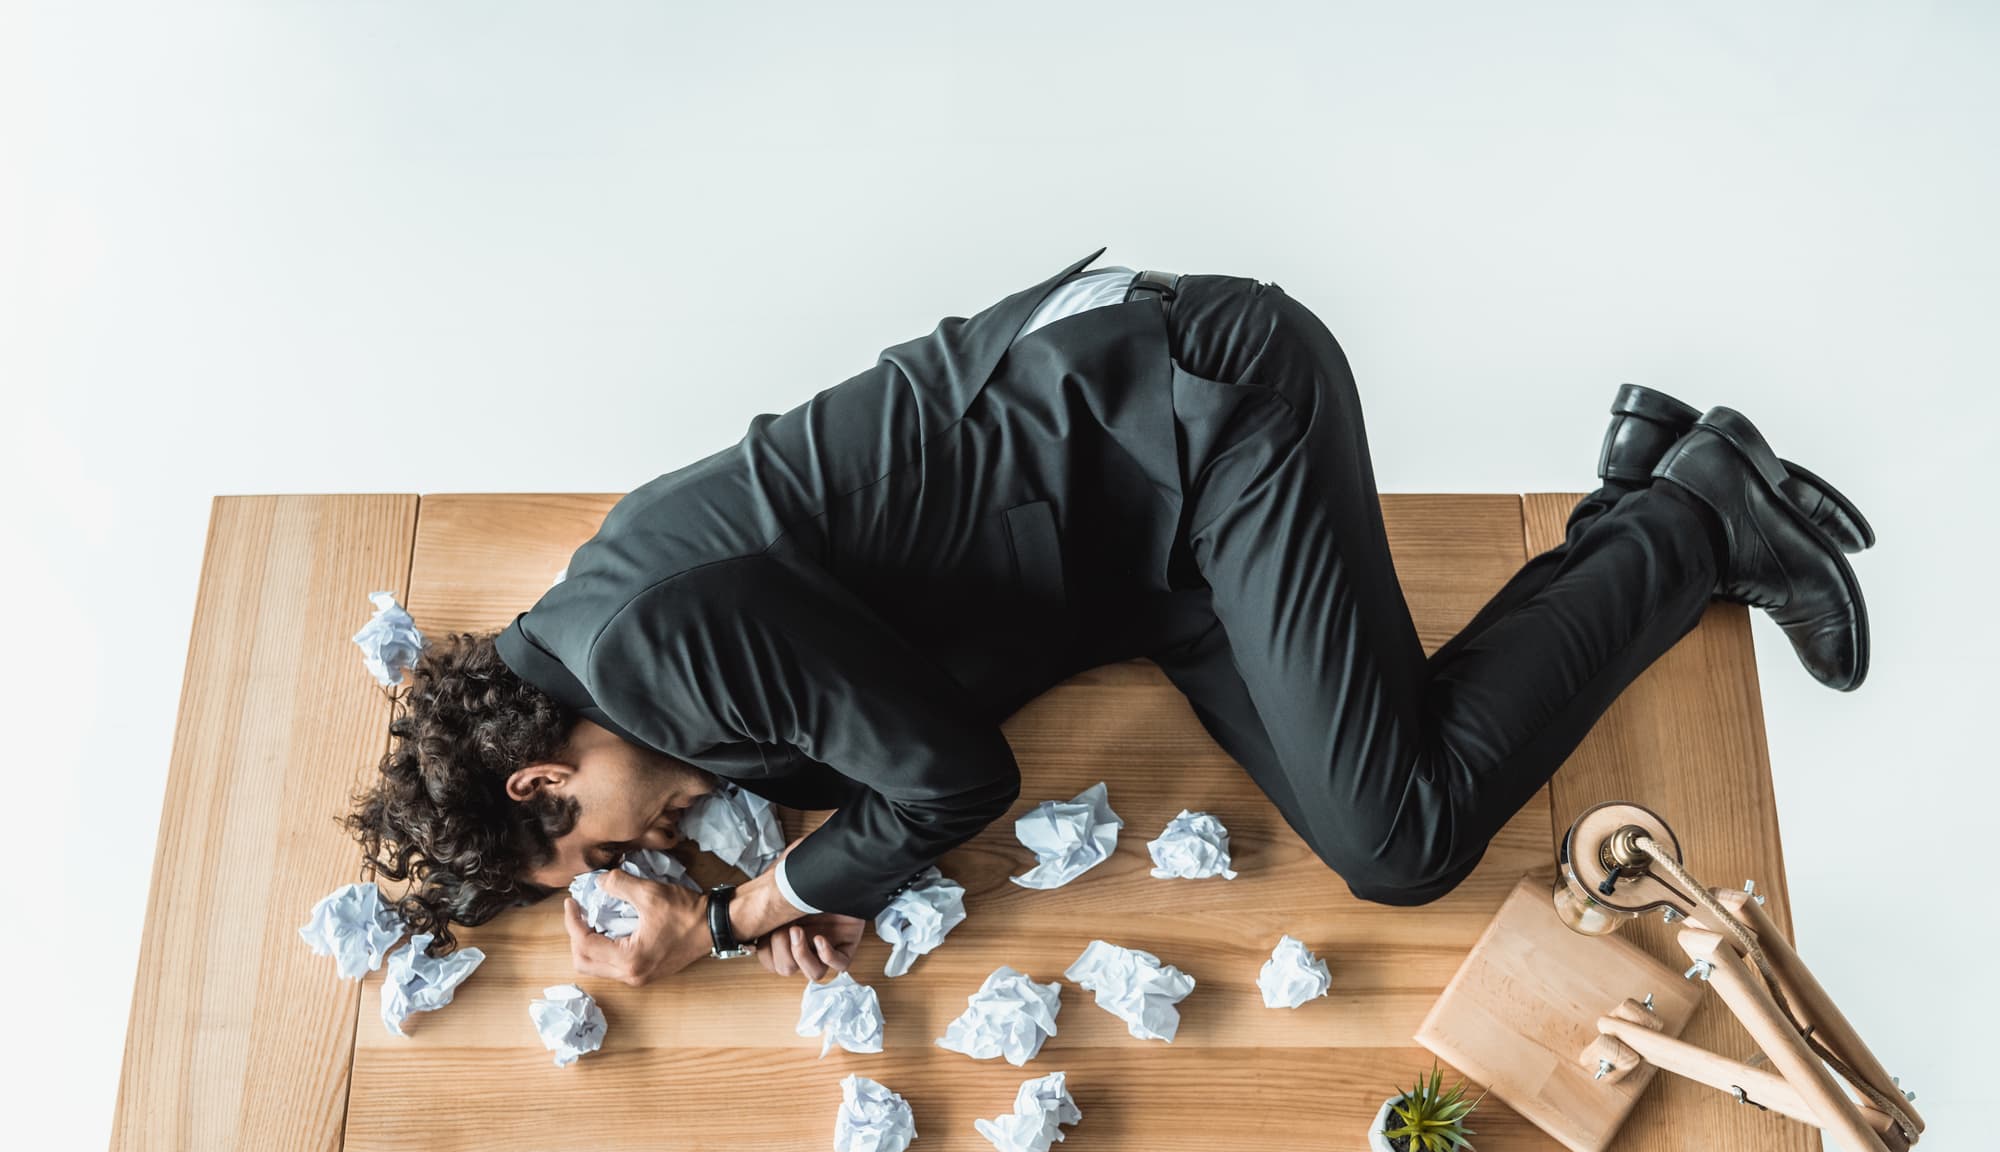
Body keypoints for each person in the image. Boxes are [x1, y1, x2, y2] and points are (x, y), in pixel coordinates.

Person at [345, 247, 1874, 989]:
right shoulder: (593, 641)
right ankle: (1643, 500)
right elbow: (847, 741)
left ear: (541, 774)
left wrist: (747, 915)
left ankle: (1694, 517)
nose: (635, 855)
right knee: (1384, 805)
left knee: (1403, 842)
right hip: (1125, 561)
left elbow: (955, 782)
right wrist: (804, 869)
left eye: (593, 850)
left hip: (1206, 418)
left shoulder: (647, 647)